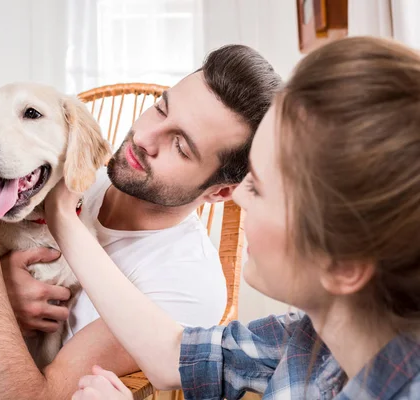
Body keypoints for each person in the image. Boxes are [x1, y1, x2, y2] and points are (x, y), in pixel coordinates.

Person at [0, 45, 281, 400]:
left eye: (181, 146)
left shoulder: (183, 283)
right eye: (161, 109)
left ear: (220, 191)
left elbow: (23, 396)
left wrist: (46, 223)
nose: (144, 138)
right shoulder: (54, 171)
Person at [43, 36, 420, 400]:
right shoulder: (300, 341)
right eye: (161, 107)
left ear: (344, 265)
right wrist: (58, 218)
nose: (238, 197)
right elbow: (169, 353)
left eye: (258, 187)